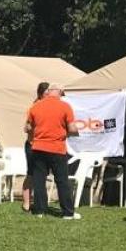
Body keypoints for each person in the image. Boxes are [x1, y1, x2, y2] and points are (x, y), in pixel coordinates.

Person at [26, 83, 80, 219]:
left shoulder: (35, 106)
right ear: (60, 92)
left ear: (49, 92)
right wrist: (71, 133)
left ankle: (39, 211)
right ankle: (68, 213)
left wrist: (36, 136)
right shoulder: (65, 106)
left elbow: (27, 127)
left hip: (38, 148)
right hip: (57, 148)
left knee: (39, 180)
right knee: (62, 181)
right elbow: (72, 129)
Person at [22, 82, 50, 212]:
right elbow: (26, 128)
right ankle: (27, 203)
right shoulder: (34, 107)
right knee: (31, 174)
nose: (48, 96)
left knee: (42, 174)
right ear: (40, 94)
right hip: (33, 145)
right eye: (46, 94)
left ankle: (40, 203)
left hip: (45, 146)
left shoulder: (51, 108)